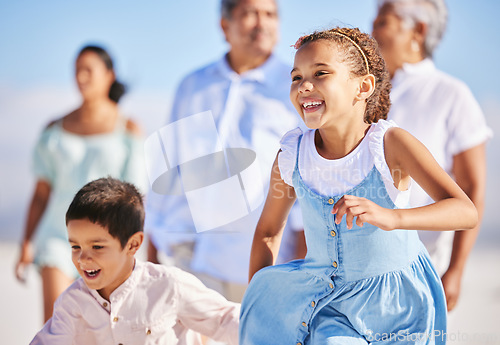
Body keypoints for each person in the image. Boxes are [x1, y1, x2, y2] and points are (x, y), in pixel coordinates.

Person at [239, 27, 478, 345]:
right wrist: (260, 302)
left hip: (400, 309)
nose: (304, 86)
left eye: (320, 73)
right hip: (328, 306)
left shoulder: (390, 144)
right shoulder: (292, 153)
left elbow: (464, 211)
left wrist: (393, 218)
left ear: (363, 87)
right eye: (296, 77)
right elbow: (268, 230)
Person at [145, 0, 303, 303]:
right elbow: (167, 168)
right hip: (194, 262)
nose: (262, 23)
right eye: (250, 14)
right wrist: (153, 252)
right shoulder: (193, 86)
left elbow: (308, 178)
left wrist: (302, 269)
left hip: (271, 266)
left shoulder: (297, 86)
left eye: (270, 14)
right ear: (224, 25)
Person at [372, 0, 492, 312]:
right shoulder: (366, 92)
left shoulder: (451, 94)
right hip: (365, 263)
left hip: (421, 265)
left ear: (419, 30)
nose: (372, 29)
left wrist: (455, 270)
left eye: (384, 21)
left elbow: (473, 188)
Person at [15, 45, 148, 322]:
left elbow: (135, 197)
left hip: (106, 242)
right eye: (77, 70)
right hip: (57, 236)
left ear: (109, 75)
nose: (81, 77)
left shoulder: (128, 130)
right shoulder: (54, 130)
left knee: (99, 329)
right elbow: (41, 193)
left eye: (89, 70)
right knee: (56, 326)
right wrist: (27, 241)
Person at [30, 177, 240, 345]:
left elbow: (226, 320)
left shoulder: (169, 286)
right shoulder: (72, 303)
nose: (83, 258)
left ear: (132, 245)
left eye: (97, 247)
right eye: (75, 246)